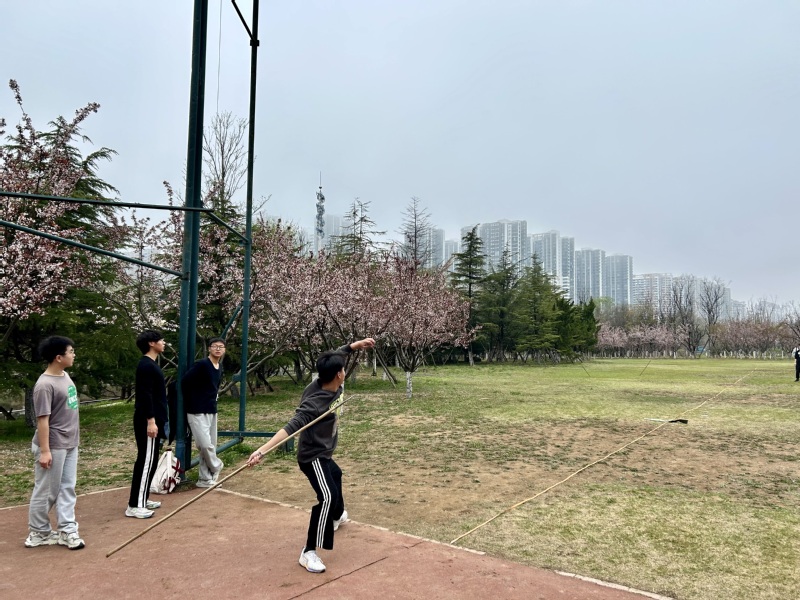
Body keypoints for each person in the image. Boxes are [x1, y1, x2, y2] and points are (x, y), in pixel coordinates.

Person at [247, 338, 375, 574]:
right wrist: (261, 451)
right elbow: (291, 427)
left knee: (336, 475)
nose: (344, 370)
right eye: (343, 369)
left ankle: (337, 515)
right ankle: (308, 552)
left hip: (325, 452)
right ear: (339, 375)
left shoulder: (327, 379)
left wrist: (356, 345)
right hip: (312, 456)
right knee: (327, 496)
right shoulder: (314, 403)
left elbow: (339, 352)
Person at [25, 336, 85, 550]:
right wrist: (45, 451)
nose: (74, 354)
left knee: (67, 487)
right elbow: (42, 420)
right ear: (58, 357)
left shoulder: (64, 375)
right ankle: (38, 533)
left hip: (70, 443)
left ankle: (67, 529)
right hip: (53, 445)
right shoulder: (44, 385)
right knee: (47, 491)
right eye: (71, 351)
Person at [126, 330, 169, 518]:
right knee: (146, 461)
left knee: (150, 461)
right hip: (148, 420)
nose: (164, 343)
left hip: (154, 419)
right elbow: (145, 395)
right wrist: (151, 421)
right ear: (151, 343)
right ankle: (135, 505)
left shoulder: (151, 364)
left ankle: (142, 498)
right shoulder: (146, 366)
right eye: (161, 340)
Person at [183, 337, 226, 487]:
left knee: (210, 445)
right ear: (209, 348)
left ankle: (205, 479)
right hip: (196, 410)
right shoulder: (202, 364)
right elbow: (185, 381)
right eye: (215, 346)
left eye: (221, 347)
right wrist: (195, 397)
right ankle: (217, 465)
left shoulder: (219, 367)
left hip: (211, 409)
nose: (218, 349)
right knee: (204, 444)